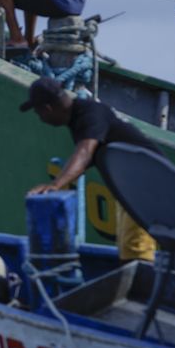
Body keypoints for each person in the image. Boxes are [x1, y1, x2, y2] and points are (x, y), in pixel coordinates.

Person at [23, 76, 159, 262]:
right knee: (128, 250)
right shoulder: (79, 118)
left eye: (39, 113)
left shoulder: (90, 113)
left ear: (48, 108)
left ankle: (140, 288)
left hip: (145, 185)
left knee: (135, 254)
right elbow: (85, 159)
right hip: (132, 190)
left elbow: (85, 151)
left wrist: (56, 184)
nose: (40, 119)